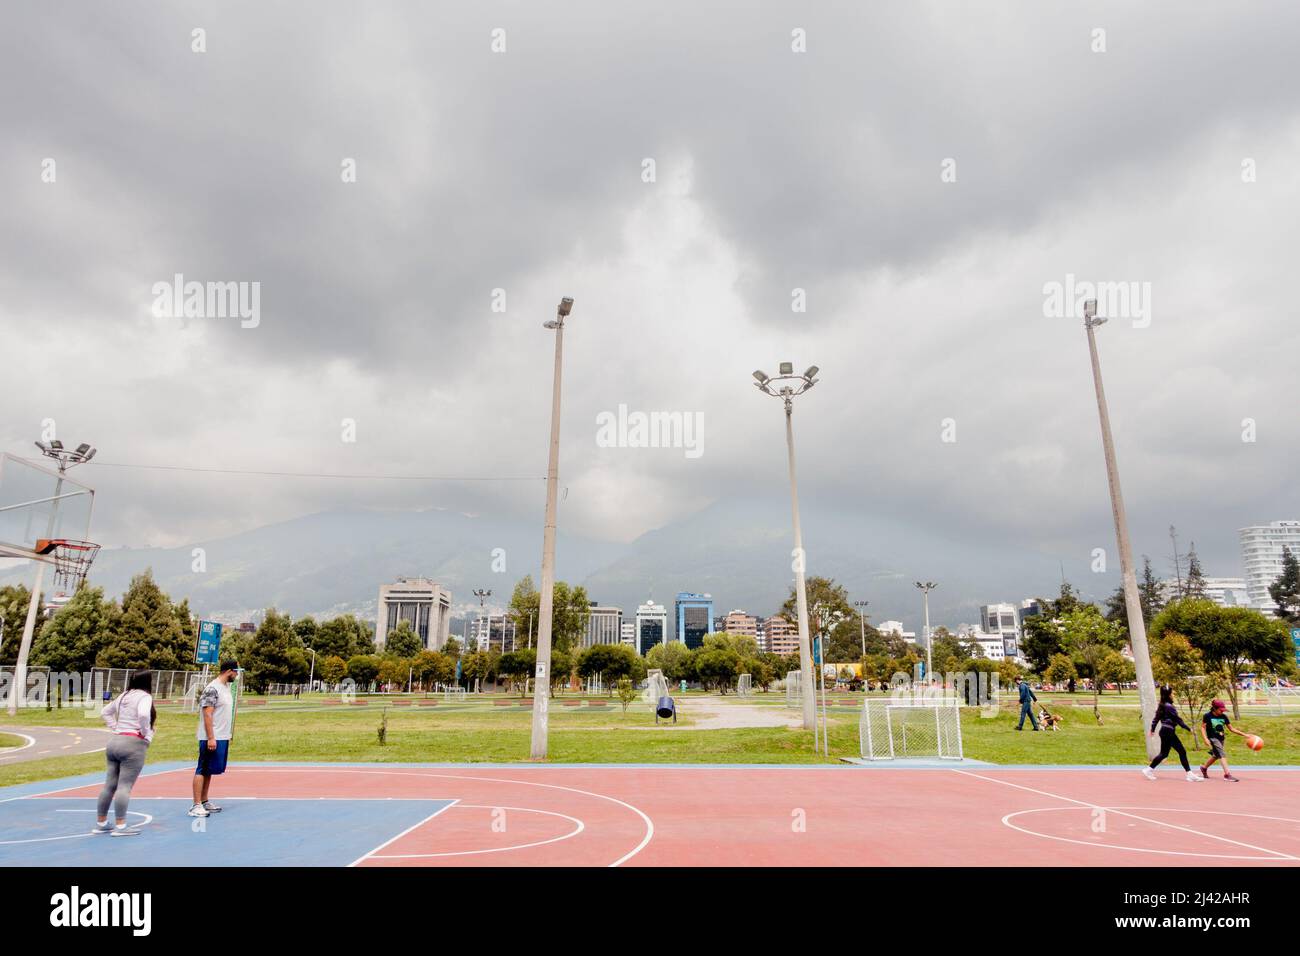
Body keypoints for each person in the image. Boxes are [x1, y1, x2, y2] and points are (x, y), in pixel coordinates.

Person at [94, 671, 156, 836]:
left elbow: (105, 712)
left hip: (115, 741)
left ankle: (101, 822)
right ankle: (120, 826)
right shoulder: (145, 696)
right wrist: (145, 732)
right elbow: (143, 714)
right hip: (132, 744)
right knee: (124, 786)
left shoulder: (124, 695)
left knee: (109, 785)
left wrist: (115, 727)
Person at [189, 661, 238, 817]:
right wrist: (211, 737)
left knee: (209, 770)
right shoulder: (212, 688)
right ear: (229, 671)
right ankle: (195, 804)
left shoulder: (225, 688)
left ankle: (204, 801)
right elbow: (207, 713)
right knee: (202, 768)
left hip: (222, 736)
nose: (237, 676)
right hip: (210, 736)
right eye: (236, 672)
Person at [1143, 685, 1202, 781]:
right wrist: (1188, 729)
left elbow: (1156, 719)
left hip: (1165, 731)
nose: (1173, 694)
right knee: (1181, 751)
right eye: (1172, 693)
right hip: (1168, 732)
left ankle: (1148, 770)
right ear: (1168, 695)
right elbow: (1178, 719)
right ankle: (1189, 774)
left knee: (1164, 754)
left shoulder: (1162, 705)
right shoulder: (1169, 707)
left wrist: (1153, 729)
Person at [1199, 699, 1249, 782]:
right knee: (1222, 754)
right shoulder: (1207, 716)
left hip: (1221, 739)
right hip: (1213, 738)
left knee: (1216, 755)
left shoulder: (1224, 716)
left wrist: (1245, 735)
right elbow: (1203, 727)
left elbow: (1231, 729)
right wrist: (1205, 739)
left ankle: (1204, 768)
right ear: (1214, 708)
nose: (1222, 712)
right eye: (1220, 710)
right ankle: (1227, 774)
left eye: (1223, 710)